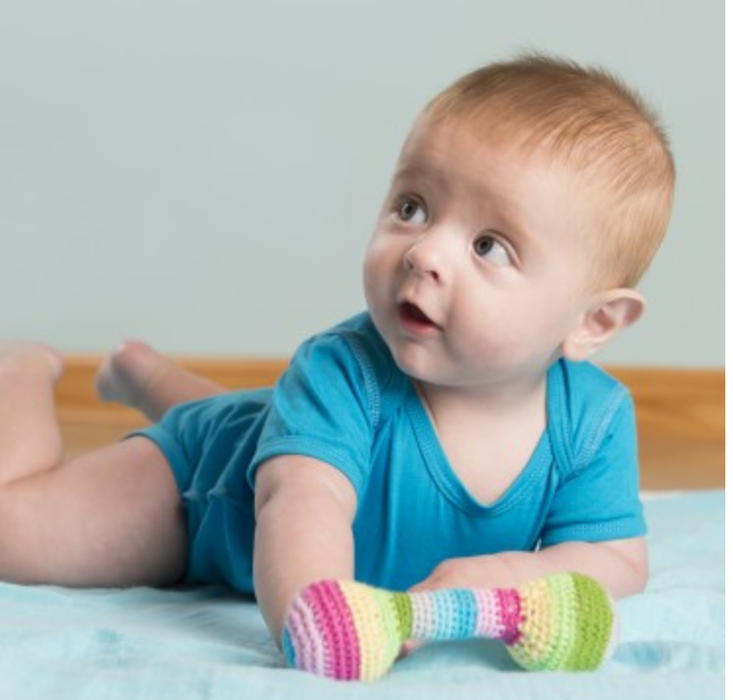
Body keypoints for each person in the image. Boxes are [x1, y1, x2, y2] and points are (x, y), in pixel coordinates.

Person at [0, 53, 674, 680]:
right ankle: (21, 373)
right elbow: (302, 503)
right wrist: (320, 614)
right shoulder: (340, 370)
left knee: (263, 417)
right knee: (16, 535)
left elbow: (614, 559)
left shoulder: (593, 420)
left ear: (593, 323)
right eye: (412, 208)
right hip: (198, 493)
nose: (423, 253)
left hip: (273, 427)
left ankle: (144, 373)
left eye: (489, 246)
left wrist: (500, 575)